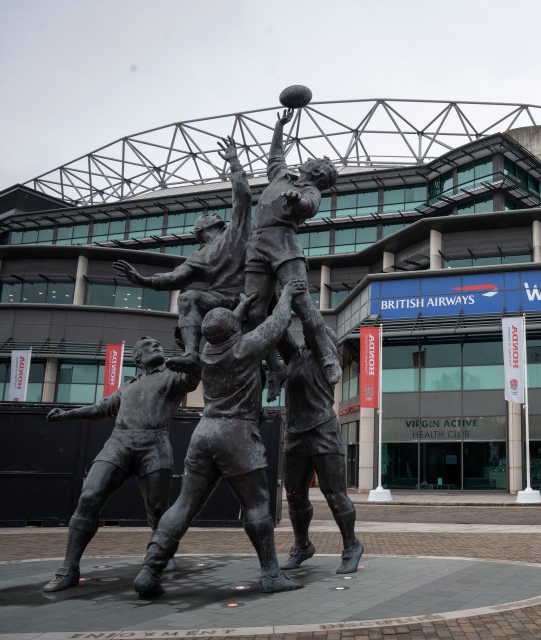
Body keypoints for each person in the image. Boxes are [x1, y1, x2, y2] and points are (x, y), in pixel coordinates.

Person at [133, 280, 307, 597]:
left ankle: (150, 569)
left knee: (184, 505)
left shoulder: (205, 351)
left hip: (204, 433)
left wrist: (238, 309)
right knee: (256, 505)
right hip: (237, 434)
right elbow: (277, 323)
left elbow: (226, 329)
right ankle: (270, 574)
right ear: (234, 331)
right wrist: (287, 297)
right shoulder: (246, 347)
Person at [41, 336, 199, 592]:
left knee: (157, 510)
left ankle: (162, 555)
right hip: (119, 443)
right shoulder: (127, 387)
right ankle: (68, 568)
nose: (156, 346)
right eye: (148, 345)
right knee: (89, 497)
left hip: (155, 443)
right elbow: (100, 408)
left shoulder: (172, 376)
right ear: (137, 358)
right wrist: (67, 415)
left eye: (158, 344)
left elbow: (194, 377)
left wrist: (190, 349)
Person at [113, 136, 252, 374]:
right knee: (188, 297)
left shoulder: (234, 232)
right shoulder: (199, 255)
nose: (213, 214)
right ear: (200, 230)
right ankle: (191, 354)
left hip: (244, 294)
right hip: (220, 298)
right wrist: (143, 280)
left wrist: (235, 163)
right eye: (207, 215)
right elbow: (174, 278)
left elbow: (243, 198)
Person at [241, 109, 340, 400]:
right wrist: (278, 127)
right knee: (254, 311)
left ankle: (327, 358)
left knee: (301, 302)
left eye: (314, 160)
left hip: (284, 245)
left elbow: (309, 206)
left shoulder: (310, 189)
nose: (308, 159)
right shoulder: (282, 176)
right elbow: (275, 156)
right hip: (257, 245)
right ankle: (275, 366)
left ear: (318, 171)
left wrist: (298, 201)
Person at [278, 318, 363, 574]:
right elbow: (279, 331)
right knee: (294, 495)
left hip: (323, 430)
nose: (309, 336)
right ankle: (302, 545)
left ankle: (352, 546)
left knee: (334, 494)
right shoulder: (295, 356)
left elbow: (313, 326)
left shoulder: (326, 358)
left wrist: (302, 303)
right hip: (295, 433)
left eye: (315, 334)